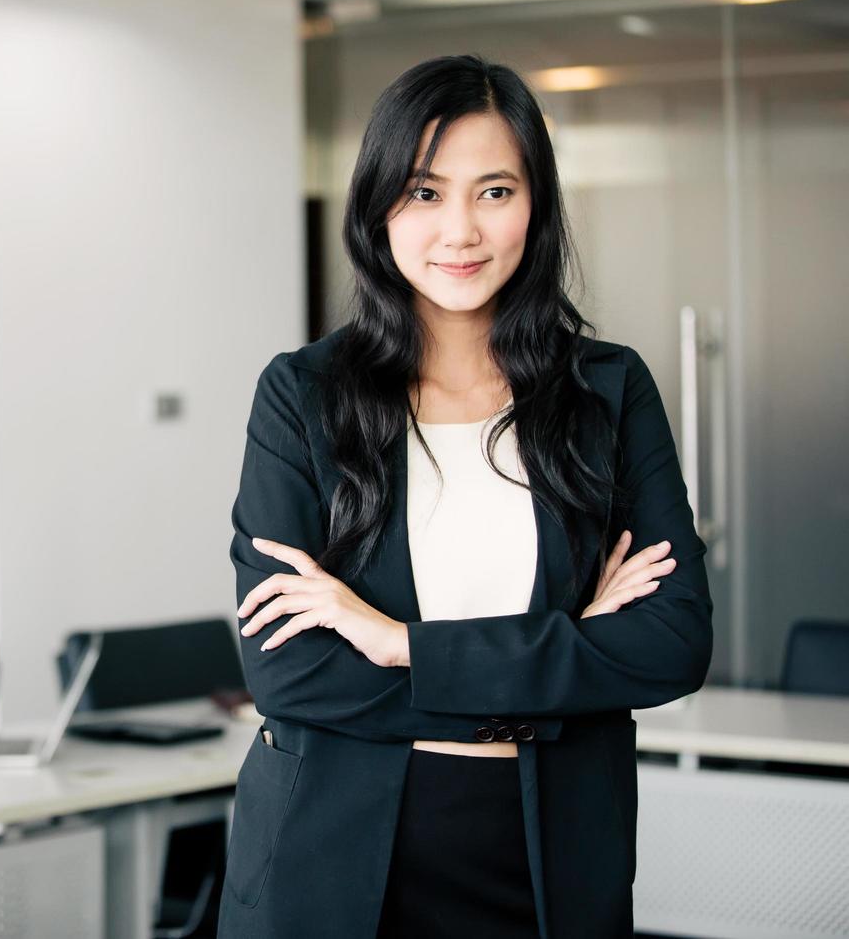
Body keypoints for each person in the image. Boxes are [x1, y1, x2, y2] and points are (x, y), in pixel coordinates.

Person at [217, 55, 712, 939]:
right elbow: (288, 672)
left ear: (537, 205)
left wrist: (399, 644)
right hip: (330, 856)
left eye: (494, 192)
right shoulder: (304, 394)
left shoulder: (607, 391)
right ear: (379, 207)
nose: (460, 231)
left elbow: (669, 645)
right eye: (424, 192)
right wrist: (570, 661)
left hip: (549, 852)